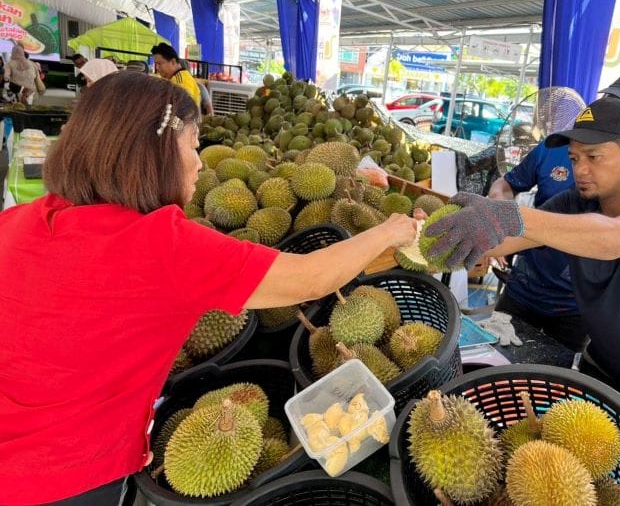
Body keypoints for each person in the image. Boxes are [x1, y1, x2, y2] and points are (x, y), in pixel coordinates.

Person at [0, 72, 417, 505]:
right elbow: (311, 278)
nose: (200, 162)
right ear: (154, 153)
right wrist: (389, 231)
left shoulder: (18, 222)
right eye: (193, 144)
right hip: (66, 475)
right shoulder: (163, 245)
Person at [424, 97, 620, 427]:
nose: (579, 170)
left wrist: (510, 216)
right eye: (574, 158)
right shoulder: (575, 202)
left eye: (593, 157)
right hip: (602, 366)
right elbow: (519, 236)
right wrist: (432, 236)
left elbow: (615, 238)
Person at [486, 72, 620, 351]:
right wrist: (494, 222)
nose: (581, 169)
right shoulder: (558, 152)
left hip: (579, 309)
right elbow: (510, 191)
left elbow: (616, 238)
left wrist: (515, 226)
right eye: (610, 99)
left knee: (553, 380)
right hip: (524, 288)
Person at [151, 42, 201, 106]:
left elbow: (183, 111)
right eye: (156, 64)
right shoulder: (179, 77)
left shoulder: (181, 82)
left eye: (159, 63)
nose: (157, 67)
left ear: (173, 62)